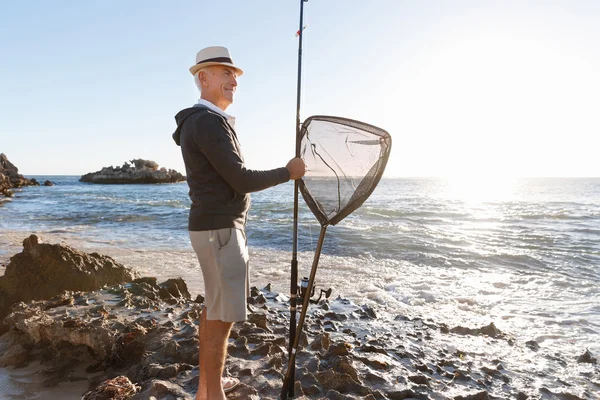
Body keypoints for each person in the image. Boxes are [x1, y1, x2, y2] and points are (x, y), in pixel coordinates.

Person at [172, 46, 305, 400]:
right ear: (203, 77)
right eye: (225, 73)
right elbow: (240, 178)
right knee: (222, 314)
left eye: (235, 75)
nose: (233, 80)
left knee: (215, 309)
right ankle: (212, 394)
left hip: (217, 227)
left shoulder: (206, 122)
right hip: (220, 230)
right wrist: (287, 173)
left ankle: (207, 386)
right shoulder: (205, 121)